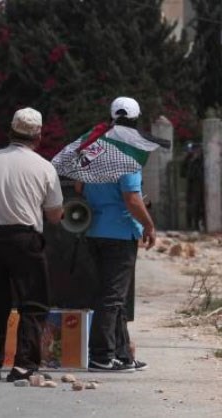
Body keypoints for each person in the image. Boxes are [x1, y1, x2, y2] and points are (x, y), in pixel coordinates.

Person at [0, 107, 64, 382]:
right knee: (33, 304)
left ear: (10, 131)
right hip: (24, 240)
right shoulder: (44, 167)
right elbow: (55, 216)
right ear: (39, 135)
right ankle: (23, 365)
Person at [80, 97, 155, 373]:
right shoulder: (129, 152)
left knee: (114, 296)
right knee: (112, 298)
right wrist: (149, 226)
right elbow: (132, 199)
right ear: (135, 121)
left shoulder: (94, 147)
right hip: (120, 234)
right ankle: (101, 356)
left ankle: (122, 355)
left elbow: (78, 186)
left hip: (94, 229)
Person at [180, 142, 204, 230]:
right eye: (194, 150)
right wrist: (187, 158)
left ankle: (199, 224)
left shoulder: (202, 159)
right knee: (192, 205)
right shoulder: (190, 160)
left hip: (200, 184)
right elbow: (182, 173)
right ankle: (192, 225)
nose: (195, 151)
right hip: (192, 184)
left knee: (199, 205)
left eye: (197, 150)